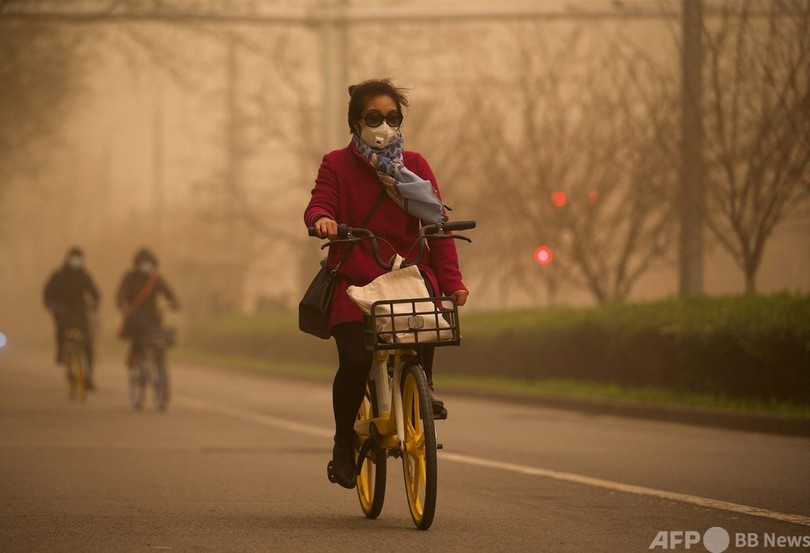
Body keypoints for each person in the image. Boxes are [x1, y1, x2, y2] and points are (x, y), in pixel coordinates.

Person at [304, 79, 469, 489]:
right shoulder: (336, 163)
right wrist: (322, 219)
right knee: (356, 361)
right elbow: (319, 202)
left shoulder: (415, 164)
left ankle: (423, 386)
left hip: (407, 273)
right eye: (374, 118)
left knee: (428, 315)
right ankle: (344, 443)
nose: (384, 126)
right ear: (356, 121)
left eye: (393, 118)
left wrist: (453, 282)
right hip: (354, 282)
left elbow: (437, 227)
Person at [43, 247, 101, 389]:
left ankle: (89, 377)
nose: (76, 261)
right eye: (74, 258)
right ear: (68, 259)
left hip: (81, 311)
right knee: (61, 331)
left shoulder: (84, 276)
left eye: (79, 258)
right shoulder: (58, 275)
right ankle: (60, 352)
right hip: (62, 310)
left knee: (88, 343)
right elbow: (47, 293)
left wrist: (93, 305)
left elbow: (95, 293)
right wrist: (52, 305)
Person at [115, 248, 180, 368]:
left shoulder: (155, 279)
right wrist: (123, 305)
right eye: (143, 262)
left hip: (152, 314)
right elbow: (121, 293)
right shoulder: (129, 277)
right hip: (134, 314)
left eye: (148, 263)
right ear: (137, 263)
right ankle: (134, 355)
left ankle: (161, 371)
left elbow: (167, 291)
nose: (146, 265)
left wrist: (174, 302)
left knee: (159, 339)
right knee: (139, 336)